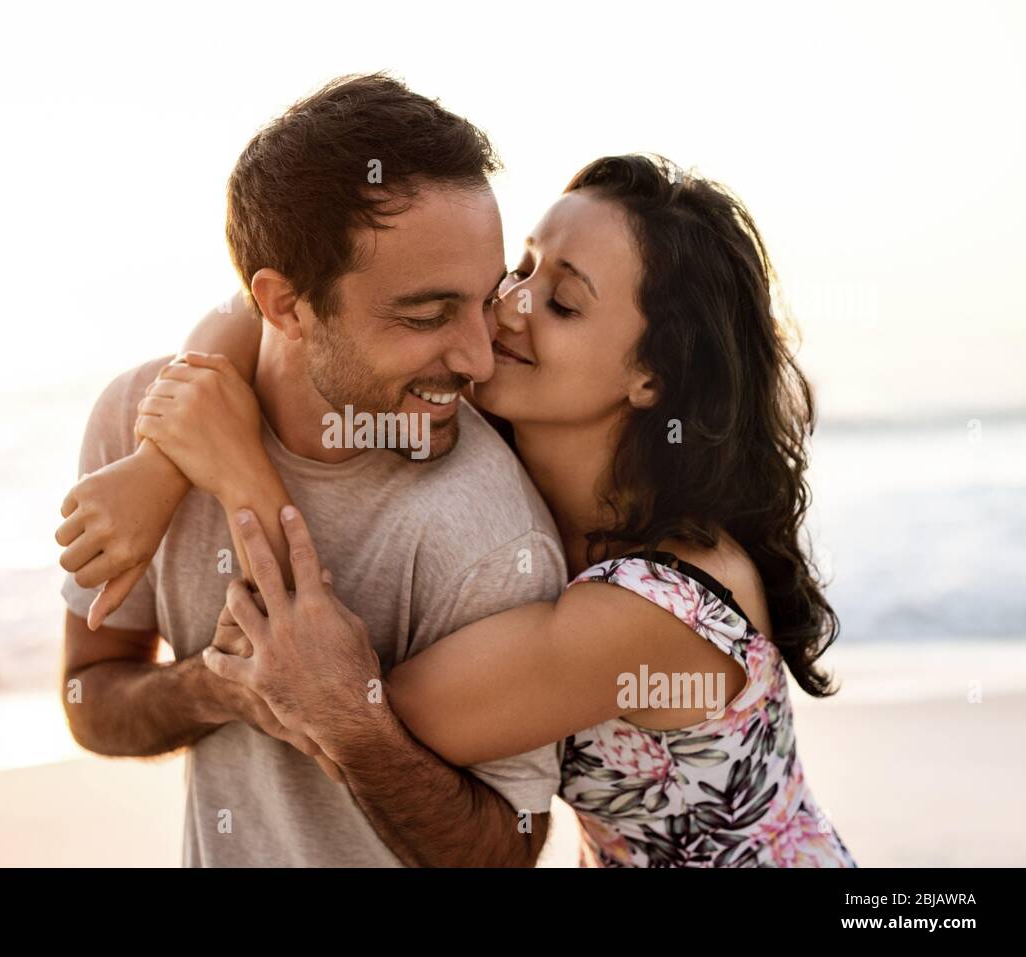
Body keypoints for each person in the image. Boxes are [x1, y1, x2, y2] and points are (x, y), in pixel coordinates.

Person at [83, 154, 858, 867]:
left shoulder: (658, 608)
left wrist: (245, 475)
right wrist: (159, 461)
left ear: (651, 377)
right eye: (519, 270)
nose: (510, 307)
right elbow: (269, 310)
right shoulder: (516, 440)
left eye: (561, 301)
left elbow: (339, 697)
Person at [56, 73, 567, 867]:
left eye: (486, 300)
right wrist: (219, 687)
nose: (476, 358)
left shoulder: (494, 532)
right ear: (285, 305)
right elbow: (90, 697)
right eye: (427, 315)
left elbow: (510, 848)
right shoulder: (139, 422)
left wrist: (351, 723)